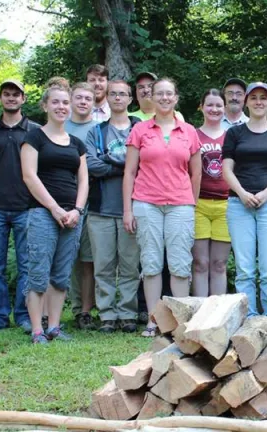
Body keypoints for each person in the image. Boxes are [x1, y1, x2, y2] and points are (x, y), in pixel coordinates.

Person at [123, 77, 201, 337]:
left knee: (180, 264)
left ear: (176, 98)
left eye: (169, 94)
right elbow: (130, 172)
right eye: (159, 94)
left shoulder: (189, 131)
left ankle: (180, 323)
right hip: (146, 203)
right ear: (151, 99)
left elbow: (196, 174)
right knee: (151, 263)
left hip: (181, 204)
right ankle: (154, 321)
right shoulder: (140, 130)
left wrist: (192, 203)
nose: (165, 98)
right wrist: (127, 209)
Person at [20, 84, 88, 343]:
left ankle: (55, 327)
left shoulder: (77, 143)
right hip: (42, 213)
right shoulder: (34, 138)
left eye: (65, 102)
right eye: (56, 102)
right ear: (45, 106)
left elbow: (84, 181)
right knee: (38, 272)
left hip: (72, 216)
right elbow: (29, 176)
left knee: (61, 275)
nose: (61, 107)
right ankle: (38, 329)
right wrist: (54, 208)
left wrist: (77, 211)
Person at [0, 79, 40, 332]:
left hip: (27, 206)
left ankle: (24, 315)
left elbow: (40, 170)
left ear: (23, 99)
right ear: (0, 98)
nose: (11, 98)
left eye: (16, 94)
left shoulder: (36, 130)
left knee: (26, 265)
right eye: (6, 94)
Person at [223, 82, 267, 317]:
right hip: (239, 204)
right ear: (246, 102)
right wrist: (243, 193)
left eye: (264, 98)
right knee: (244, 269)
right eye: (254, 98)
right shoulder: (235, 133)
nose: (259, 102)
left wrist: (266, 193)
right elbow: (226, 170)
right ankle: (249, 317)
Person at [85, 80, 142, 333]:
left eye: (122, 94)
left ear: (130, 99)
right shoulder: (96, 132)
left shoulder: (140, 128)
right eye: (113, 94)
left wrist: (109, 160)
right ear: (106, 98)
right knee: (104, 265)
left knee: (130, 266)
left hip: (133, 208)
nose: (117, 98)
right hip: (100, 209)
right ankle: (107, 314)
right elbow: (90, 164)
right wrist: (123, 166)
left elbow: (144, 164)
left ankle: (128, 314)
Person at [64, 82, 99, 330]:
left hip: (91, 200)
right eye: (79, 97)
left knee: (88, 259)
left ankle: (85, 311)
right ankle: (69, 308)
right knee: (65, 259)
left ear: (94, 103)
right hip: (61, 200)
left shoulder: (98, 129)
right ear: (71, 100)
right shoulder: (59, 126)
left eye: (88, 98)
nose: (83, 102)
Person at [192, 89, 231, 297]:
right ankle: (200, 314)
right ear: (201, 107)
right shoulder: (193, 135)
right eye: (210, 105)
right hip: (199, 204)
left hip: (226, 205)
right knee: (200, 263)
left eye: (218, 105)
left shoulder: (232, 136)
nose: (214, 109)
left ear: (224, 108)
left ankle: (217, 314)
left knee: (219, 264)